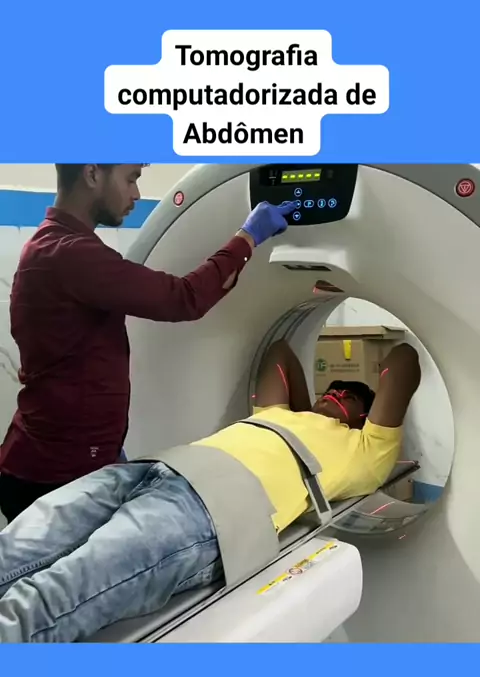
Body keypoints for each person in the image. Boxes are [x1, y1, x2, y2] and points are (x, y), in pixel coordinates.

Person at [0, 338, 421, 643]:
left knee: (55, 592)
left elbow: (403, 360)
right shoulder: (277, 414)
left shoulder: (366, 451)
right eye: (333, 388)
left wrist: (345, 414)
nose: (336, 393)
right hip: (153, 468)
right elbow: (279, 351)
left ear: (364, 416)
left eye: (349, 396)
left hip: (211, 509)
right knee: (15, 548)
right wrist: (308, 408)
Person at [0, 163, 296, 522]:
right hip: (57, 475)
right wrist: (248, 238)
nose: (137, 194)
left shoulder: (49, 245)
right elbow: (184, 298)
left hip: (63, 457)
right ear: (92, 174)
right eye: (131, 179)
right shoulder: (70, 254)